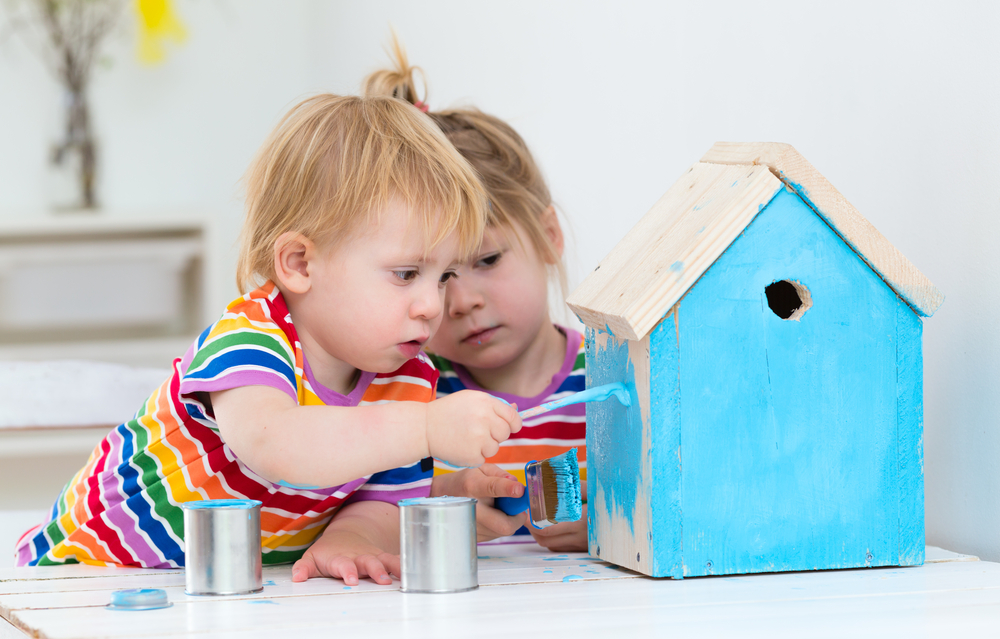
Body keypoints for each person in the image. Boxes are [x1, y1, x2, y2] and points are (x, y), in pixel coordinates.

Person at [13, 92, 523, 585]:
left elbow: (379, 497)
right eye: (406, 273)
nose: (434, 305)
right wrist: (427, 428)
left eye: (444, 277)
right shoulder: (252, 338)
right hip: (83, 576)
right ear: (300, 264)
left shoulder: (407, 377)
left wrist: (350, 540)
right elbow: (275, 442)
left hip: (221, 596)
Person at [362, 42, 588, 552]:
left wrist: (620, 523)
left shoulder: (619, 381)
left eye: (487, 261)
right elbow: (358, 515)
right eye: (436, 277)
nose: (461, 302)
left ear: (549, 235)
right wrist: (443, 499)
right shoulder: (405, 399)